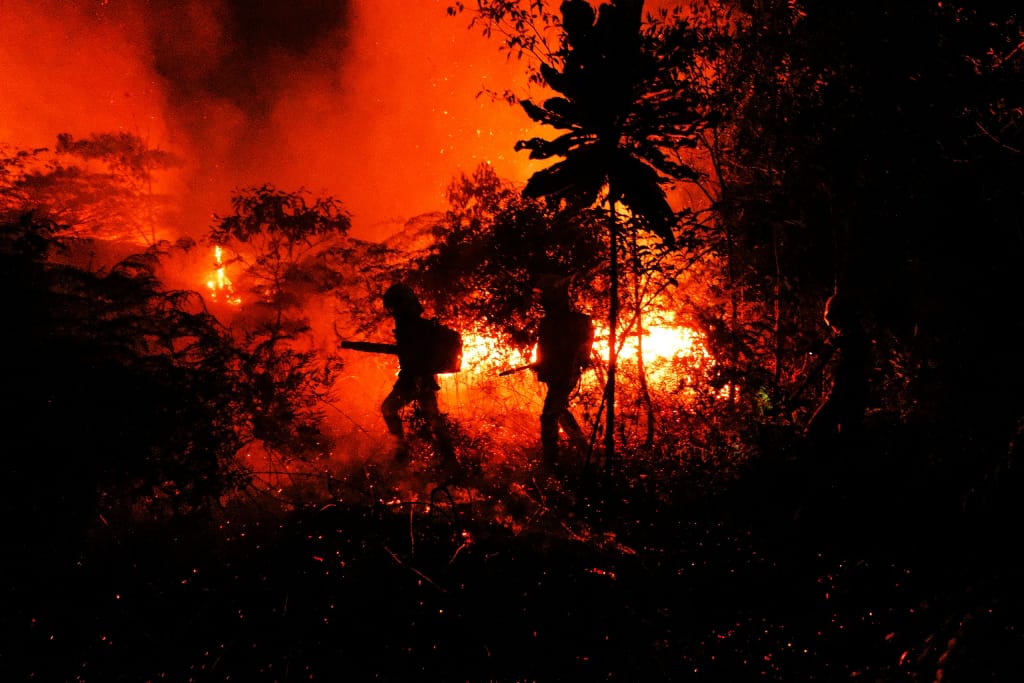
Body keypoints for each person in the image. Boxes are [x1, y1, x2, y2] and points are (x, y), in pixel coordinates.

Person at [379, 283, 455, 465]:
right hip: (416, 378)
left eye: (394, 306)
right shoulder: (412, 324)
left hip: (415, 378)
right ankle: (449, 459)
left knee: (389, 408)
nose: (393, 311)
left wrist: (418, 379)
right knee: (433, 419)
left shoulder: (414, 326)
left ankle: (402, 453)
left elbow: (418, 356)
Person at [533, 275, 595, 467]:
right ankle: (586, 451)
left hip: (565, 374)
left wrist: (570, 361)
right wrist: (541, 364)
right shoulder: (551, 323)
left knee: (549, 416)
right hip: (558, 374)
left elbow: (582, 351)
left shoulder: (575, 322)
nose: (543, 302)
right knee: (559, 411)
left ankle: (551, 463)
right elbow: (544, 350)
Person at [806, 291, 871, 448]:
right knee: (846, 437)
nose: (833, 328)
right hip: (849, 393)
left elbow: (837, 349)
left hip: (846, 394)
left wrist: (820, 348)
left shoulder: (852, 336)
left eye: (834, 322)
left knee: (816, 430)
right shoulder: (849, 335)